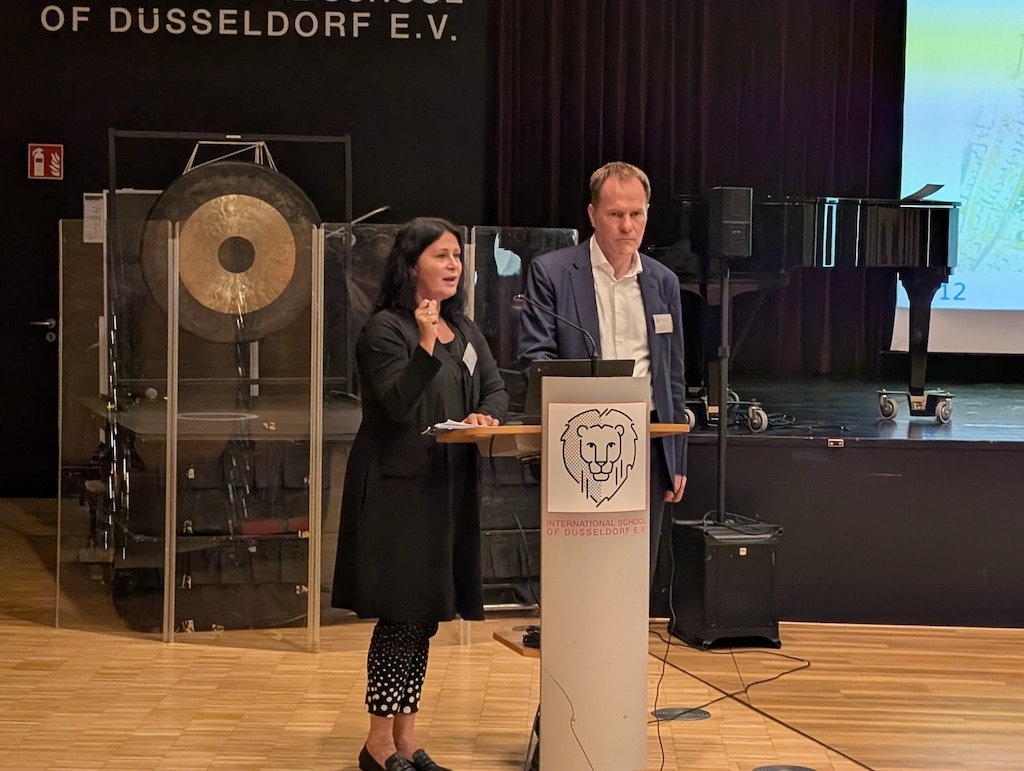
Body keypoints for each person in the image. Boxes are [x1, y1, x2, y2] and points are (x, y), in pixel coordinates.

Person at [332, 217, 509, 771]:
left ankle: (406, 739)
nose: (454, 264)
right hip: (397, 492)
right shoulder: (384, 330)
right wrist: (427, 344)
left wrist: (486, 414)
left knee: (423, 617)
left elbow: (496, 388)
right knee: (400, 615)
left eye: (457, 255)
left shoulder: (467, 330)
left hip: (447, 487)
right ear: (412, 266)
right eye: (441, 255)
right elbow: (394, 404)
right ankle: (377, 743)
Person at [517, 161, 687, 581]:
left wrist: (676, 457)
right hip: (578, 438)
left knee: (636, 568)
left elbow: (673, 373)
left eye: (636, 213)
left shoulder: (664, 281)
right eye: (615, 214)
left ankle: (629, 629)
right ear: (593, 215)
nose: (628, 226)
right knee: (580, 570)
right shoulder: (552, 272)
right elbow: (535, 357)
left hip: (648, 438)